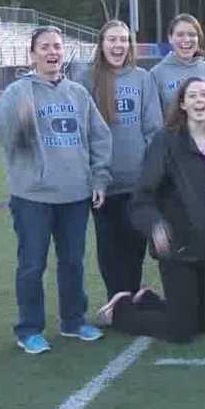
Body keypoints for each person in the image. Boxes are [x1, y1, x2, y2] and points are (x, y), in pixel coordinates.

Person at [0, 26, 113, 354]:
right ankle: (29, 329)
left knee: (72, 261)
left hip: (75, 195)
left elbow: (100, 137)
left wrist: (99, 179)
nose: (52, 52)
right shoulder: (18, 91)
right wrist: (18, 121)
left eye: (57, 46)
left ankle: (73, 321)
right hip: (33, 197)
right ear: (33, 54)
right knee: (32, 264)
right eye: (45, 47)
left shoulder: (77, 93)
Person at [99, 77, 205, 344]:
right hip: (179, 247)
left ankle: (148, 299)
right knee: (181, 331)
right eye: (192, 96)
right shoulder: (165, 141)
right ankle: (121, 310)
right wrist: (156, 226)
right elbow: (142, 197)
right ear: (181, 103)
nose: (199, 101)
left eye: (204, 95)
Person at [79, 20, 161, 300]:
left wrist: (151, 175)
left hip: (136, 181)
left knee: (135, 245)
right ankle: (117, 300)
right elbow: (83, 132)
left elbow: (153, 129)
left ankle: (132, 297)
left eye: (124, 40)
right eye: (112, 40)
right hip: (103, 183)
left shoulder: (142, 78)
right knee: (109, 247)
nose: (118, 46)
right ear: (101, 44)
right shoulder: (86, 79)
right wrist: (94, 175)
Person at [150, 13, 205, 117]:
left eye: (192, 34)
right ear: (170, 38)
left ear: (198, 39)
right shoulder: (157, 73)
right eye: (180, 35)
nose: (186, 39)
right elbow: (154, 119)